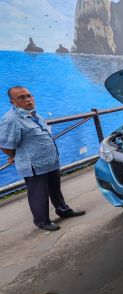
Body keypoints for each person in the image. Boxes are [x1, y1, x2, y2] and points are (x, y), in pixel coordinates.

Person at [0, 86, 85, 231]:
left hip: (49, 160)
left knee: (55, 189)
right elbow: (5, 145)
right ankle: (42, 221)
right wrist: (14, 156)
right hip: (33, 164)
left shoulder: (33, 114)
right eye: (21, 97)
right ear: (12, 102)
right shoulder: (11, 120)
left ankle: (63, 210)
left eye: (29, 96)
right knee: (39, 194)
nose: (28, 100)